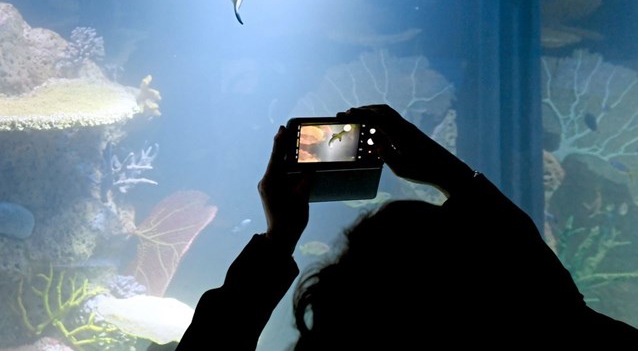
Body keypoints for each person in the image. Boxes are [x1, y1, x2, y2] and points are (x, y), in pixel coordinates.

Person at [175, 104, 638, 350]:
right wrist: (450, 172)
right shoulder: (560, 332)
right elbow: (560, 308)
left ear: (341, 300)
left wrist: (279, 238)